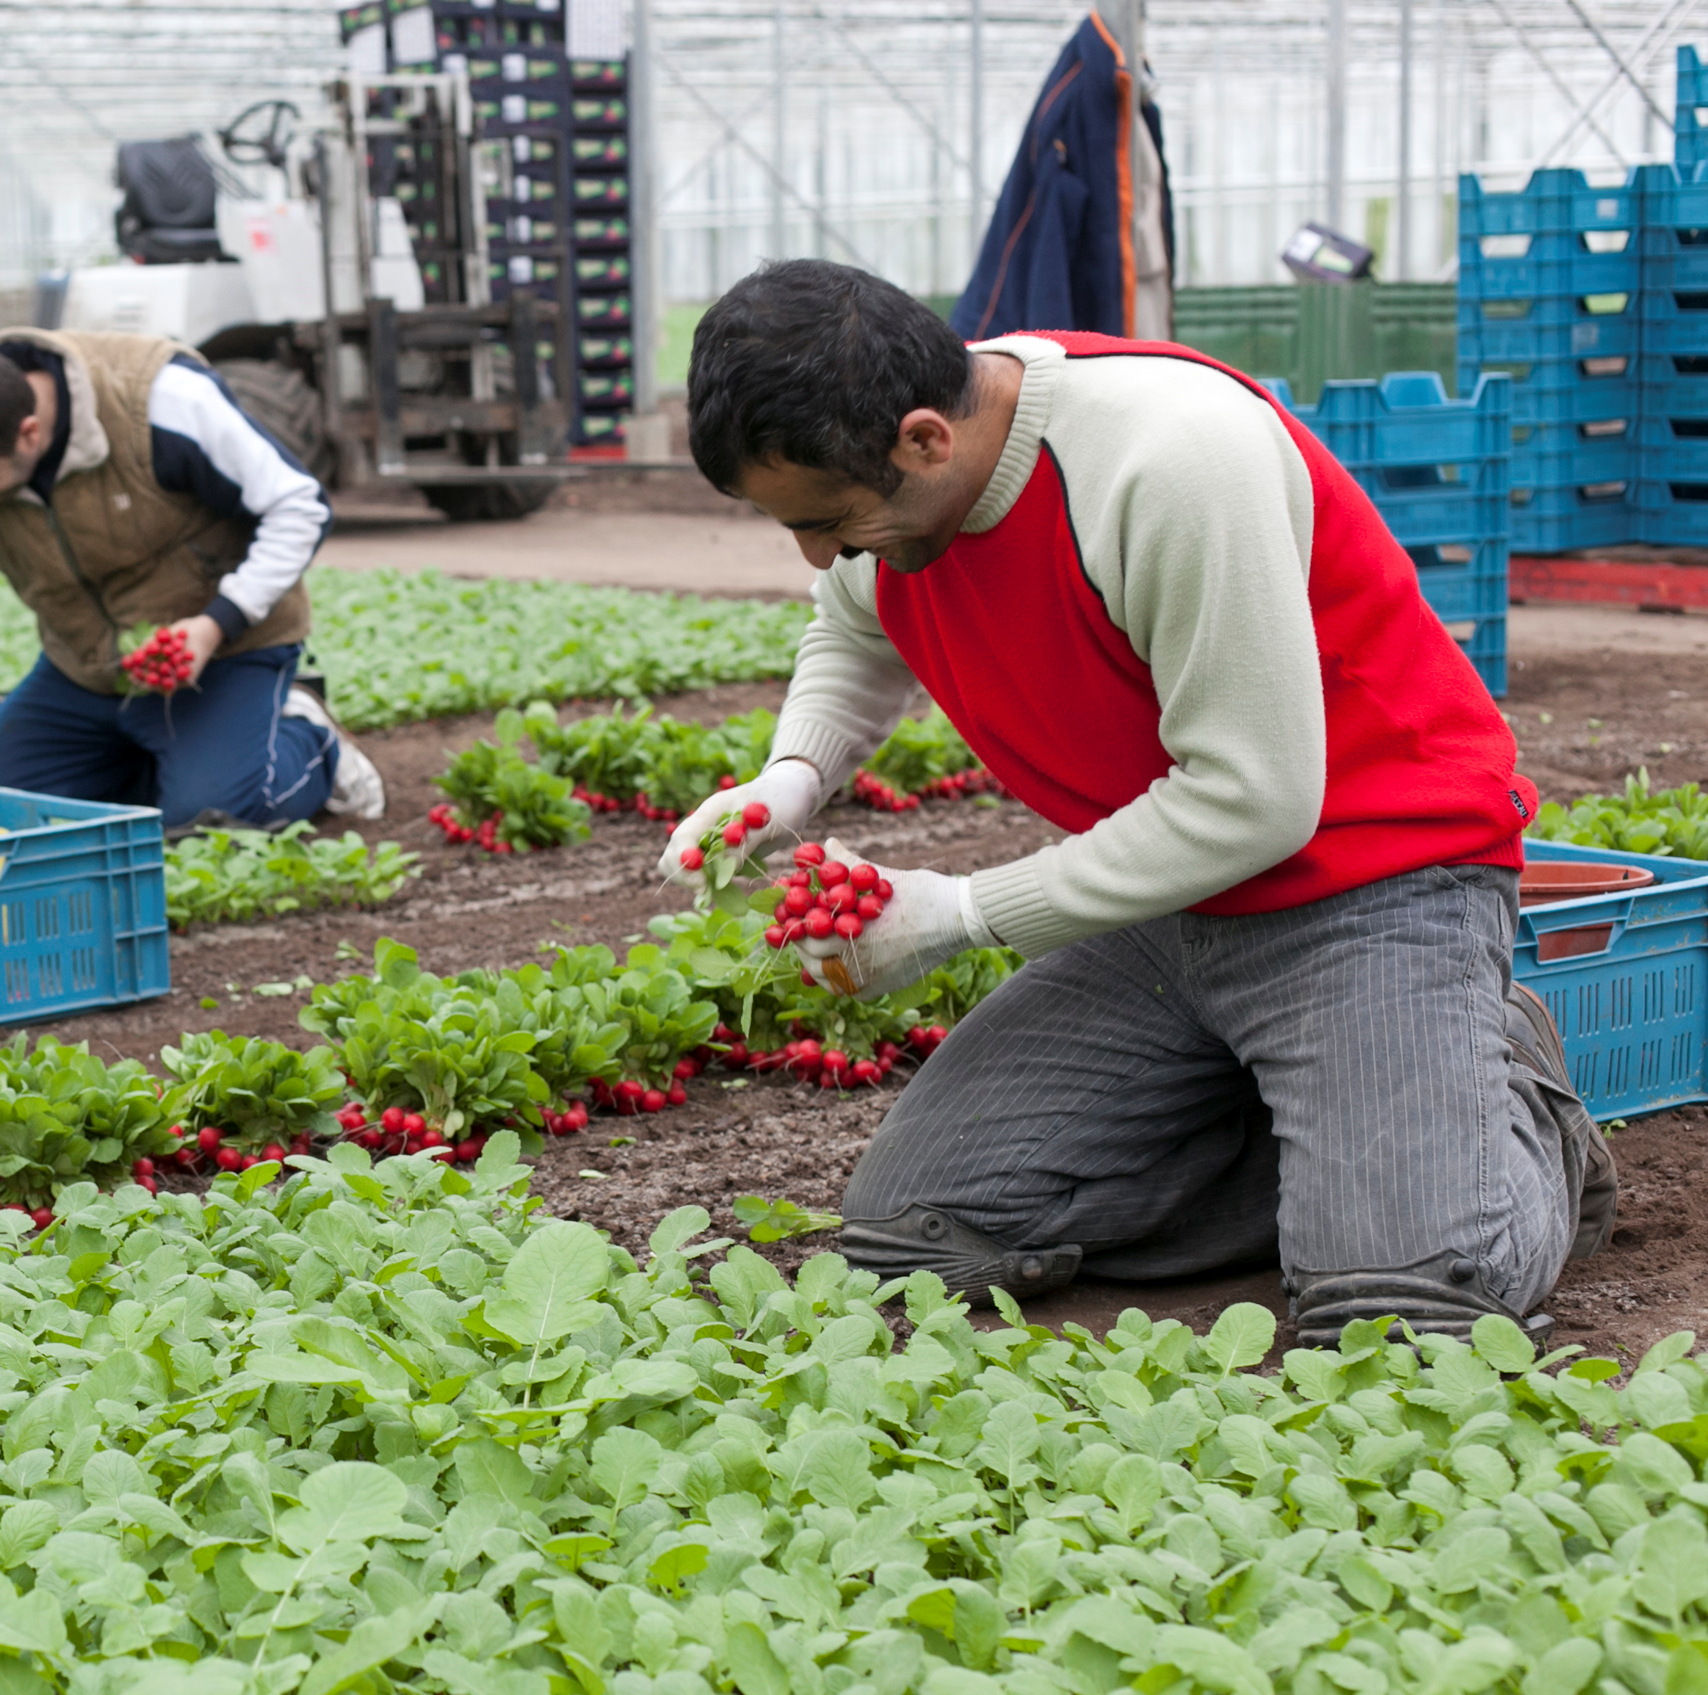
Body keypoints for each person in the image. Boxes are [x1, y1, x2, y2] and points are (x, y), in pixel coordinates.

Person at [670, 260, 1611, 1343]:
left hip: (1373, 883)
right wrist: (789, 780)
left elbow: (1256, 805)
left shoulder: (1167, 459)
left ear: (925, 438)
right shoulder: (895, 489)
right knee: (915, 1240)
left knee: (1398, 1316)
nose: (816, 552)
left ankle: (1503, 1107)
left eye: (829, 518)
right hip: (1177, 907)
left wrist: (958, 914)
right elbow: (851, 619)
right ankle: (1351, 1132)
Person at [0, 328, 386, 824]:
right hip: (86, 674)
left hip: (224, 655)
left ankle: (311, 744)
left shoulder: (160, 401)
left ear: (29, 433)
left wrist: (215, 624)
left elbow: (298, 506)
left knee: (213, 819)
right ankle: (169, 762)